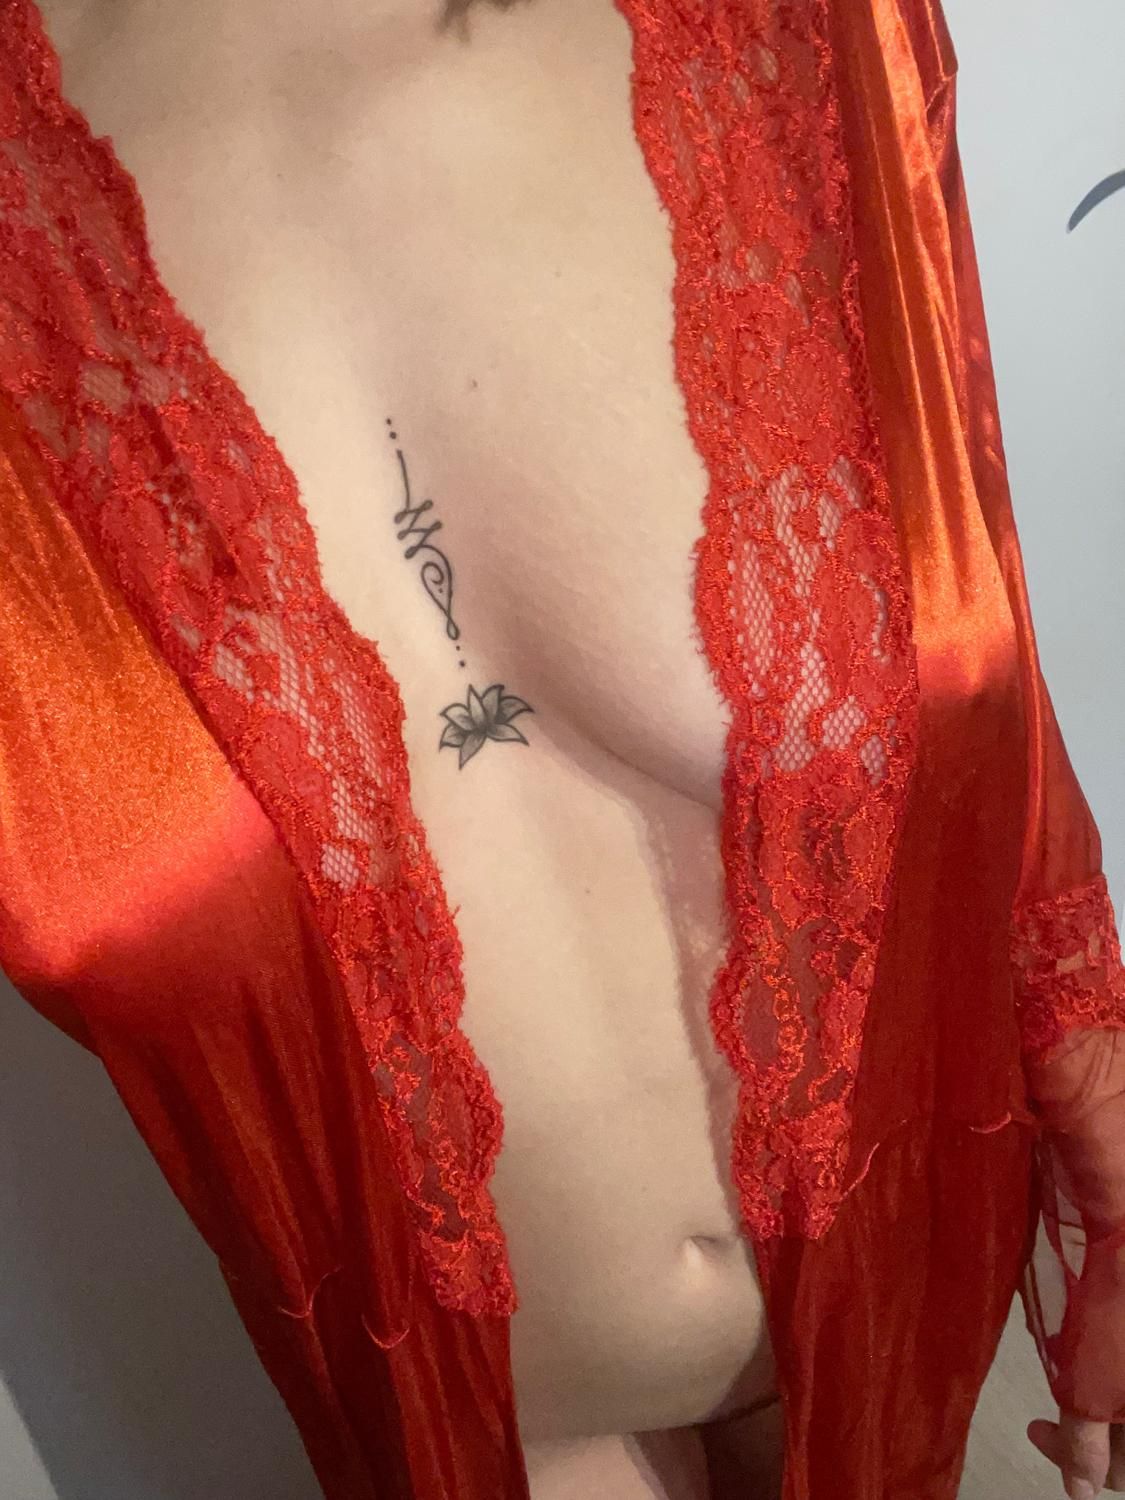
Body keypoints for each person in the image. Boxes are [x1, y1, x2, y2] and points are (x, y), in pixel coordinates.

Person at [0, 1, 1122, 1497]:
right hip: (492, 1438)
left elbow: (970, 576)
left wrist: (1102, 1111)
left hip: (912, 1292)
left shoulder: (800, 25)